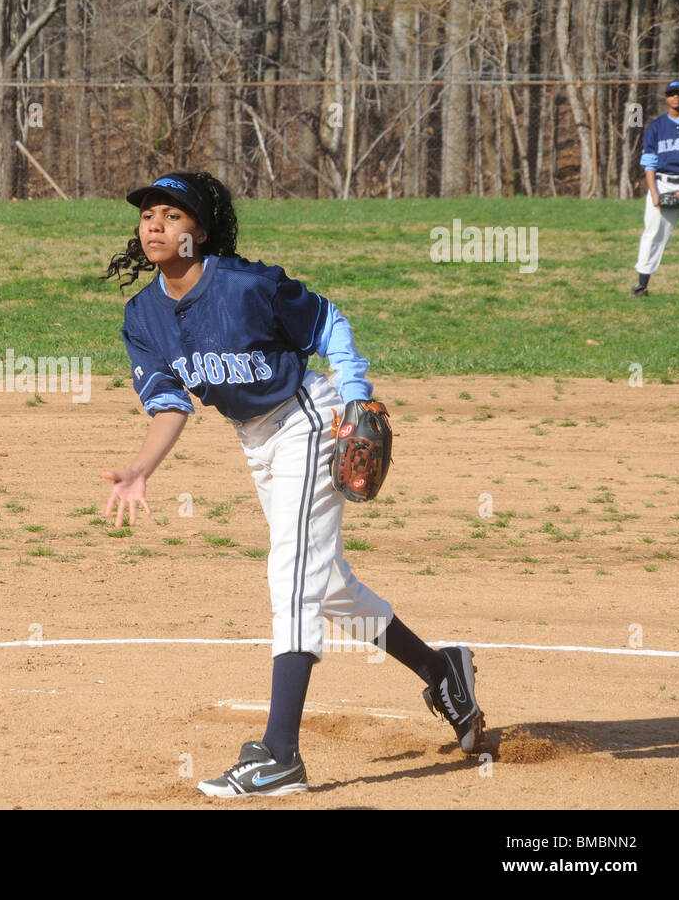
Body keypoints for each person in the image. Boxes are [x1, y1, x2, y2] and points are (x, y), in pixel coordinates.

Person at [99, 171, 485, 797]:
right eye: (148, 215)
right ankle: (443, 670)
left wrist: (356, 399)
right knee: (326, 584)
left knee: (291, 574)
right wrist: (142, 468)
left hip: (309, 419)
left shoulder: (247, 284)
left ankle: (280, 754)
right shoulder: (144, 315)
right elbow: (169, 404)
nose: (154, 226)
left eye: (172, 215)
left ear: (199, 233)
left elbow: (329, 322)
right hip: (256, 440)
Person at [633, 79, 679, 297]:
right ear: (666, 98)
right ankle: (641, 285)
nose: (676, 97)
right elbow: (649, 163)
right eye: (672, 93)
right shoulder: (656, 127)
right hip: (662, 183)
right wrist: (654, 193)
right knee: (653, 235)